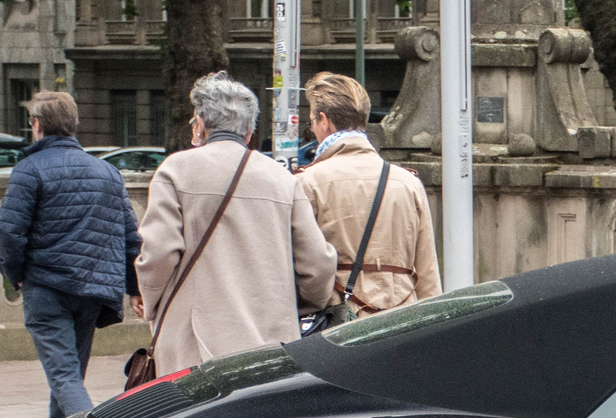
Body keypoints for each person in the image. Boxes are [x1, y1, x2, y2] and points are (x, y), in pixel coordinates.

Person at [134, 72, 337, 373]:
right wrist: (291, 307)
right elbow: (317, 265)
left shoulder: (175, 171)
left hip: (196, 341)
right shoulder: (282, 179)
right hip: (271, 342)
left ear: (200, 124)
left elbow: (159, 254)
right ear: (250, 129)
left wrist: (153, 306)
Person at [0, 89, 142, 418]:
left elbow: (8, 233)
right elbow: (130, 236)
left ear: (38, 124)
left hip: (47, 287)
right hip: (92, 292)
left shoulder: (30, 169)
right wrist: (135, 288)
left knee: (65, 378)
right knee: (69, 377)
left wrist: (14, 274)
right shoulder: (107, 173)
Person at [295, 71, 441, 317]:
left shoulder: (307, 183)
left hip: (338, 323)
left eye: (311, 120)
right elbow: (428, 274)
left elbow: (305, 266)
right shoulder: (408, 183)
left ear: (323, 120)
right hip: (402, 320)